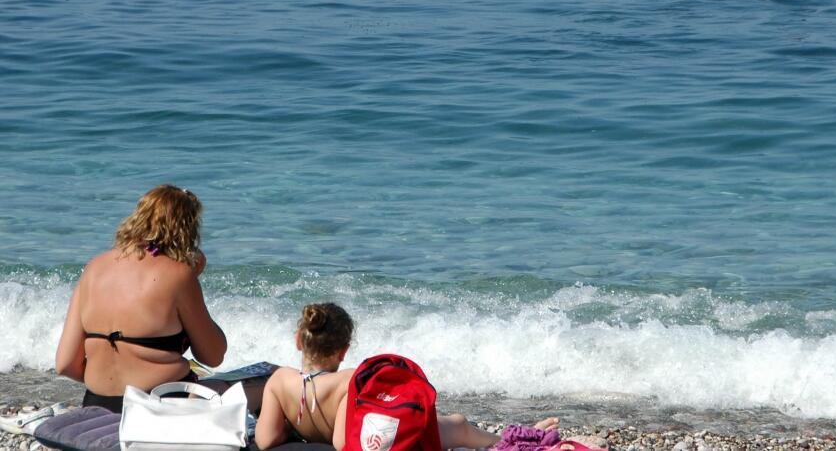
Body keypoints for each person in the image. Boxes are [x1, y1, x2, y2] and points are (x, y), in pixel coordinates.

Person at [254, 302, 558, 450]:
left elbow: (266, 441)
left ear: (298, 340)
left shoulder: (280, 380)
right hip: (389, 437)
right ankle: (521, 438)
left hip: (367, 433)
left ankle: (521, 436)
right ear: (344, 350)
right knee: (461, 427)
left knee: (459, 427)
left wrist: (297, 429)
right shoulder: (349, 379)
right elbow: (341, 441)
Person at [55, 184, 227, 413]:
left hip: (98, 405)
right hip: (160, 406)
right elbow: (213, 355)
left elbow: (65, 364)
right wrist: (192, 279)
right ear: (186, 230)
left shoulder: (94, 268)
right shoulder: (177, 275)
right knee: (246, 387)